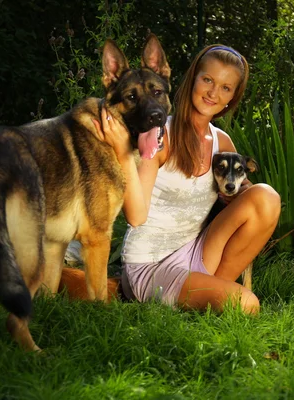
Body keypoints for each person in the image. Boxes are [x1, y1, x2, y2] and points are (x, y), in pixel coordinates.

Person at [61, 44, 281, 315]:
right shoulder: (159, 134)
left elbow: (246, 198)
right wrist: (124, 153)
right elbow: (136, 217)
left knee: (266, 197)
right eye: (208, 80)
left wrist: (239, 192)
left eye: (226, 88)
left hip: (197, 251)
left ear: (232, 98)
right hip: (151, 264)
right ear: (193, 79)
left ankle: (210, 291)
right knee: (246, 305)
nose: (213, 92)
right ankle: (204, 295)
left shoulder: (221, 142)